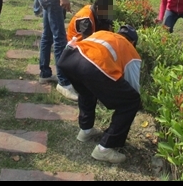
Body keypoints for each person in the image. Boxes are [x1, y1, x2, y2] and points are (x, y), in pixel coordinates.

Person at [57, 25, 141, 164]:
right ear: (133, 42)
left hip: (68, 59)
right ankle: (105, 148)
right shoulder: (130, 49)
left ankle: (86, 130)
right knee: (132, 101)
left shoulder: (102, 33)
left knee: (86, 90)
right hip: (91, 66)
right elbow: (132, 86)